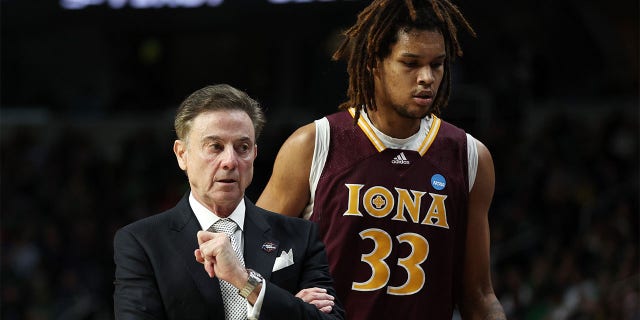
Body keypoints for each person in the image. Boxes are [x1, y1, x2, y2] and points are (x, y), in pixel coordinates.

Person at [256, 0, 506, 319]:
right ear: (375, 62)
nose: (427, 77)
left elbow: (479, 295)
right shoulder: (314, 144)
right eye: (411, 63)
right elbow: (254, 264)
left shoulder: (470, 157)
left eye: (437, 64)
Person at [113, 84, 345, 320]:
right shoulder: (142, 242)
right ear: (182, 154)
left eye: (242, 147)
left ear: (254, 154)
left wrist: (244, 281)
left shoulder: (300, 235)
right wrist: (290, 307)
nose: (230, 161)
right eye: (215, 146)